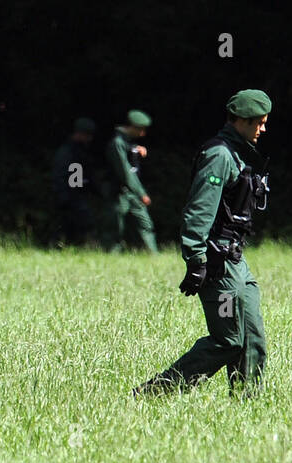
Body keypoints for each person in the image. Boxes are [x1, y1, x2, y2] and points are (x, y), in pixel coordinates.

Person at [133, 90, 273, 399]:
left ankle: (248, 406)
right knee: (227, 341)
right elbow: (199, 210)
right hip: (217, 261)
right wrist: (196, 260)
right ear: (242, 121)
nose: (263, 130)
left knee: (252, 338)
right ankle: (155, 393)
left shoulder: (239, 153)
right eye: (259, 123)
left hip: (236, 260)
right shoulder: (219, 155)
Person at [106, 109, 157, 253]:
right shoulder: (117, 143)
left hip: (132, 193)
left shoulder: (127, 142)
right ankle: (111, 257)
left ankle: (154, 256)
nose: (143, 134)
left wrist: (135, 149)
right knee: (116, 228)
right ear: (132, 127)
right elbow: (125, 172)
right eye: (141, 130)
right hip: (119, 193)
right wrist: (142, 193)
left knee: (146, 224)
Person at [51, 117, 96, 246]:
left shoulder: (80, 151)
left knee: (76, 226)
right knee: (67, 226)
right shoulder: (68, 152)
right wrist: (63, 196)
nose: (89, 139)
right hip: (68, 196)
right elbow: (61, 176)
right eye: (87, 135)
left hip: (77, 195)